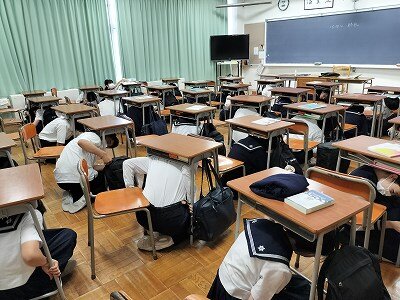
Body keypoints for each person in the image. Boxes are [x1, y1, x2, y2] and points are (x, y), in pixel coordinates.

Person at [207, 218, 293, 300]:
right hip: (235, 295)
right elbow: (256, 298)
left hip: (221, 278)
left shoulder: (257, 227)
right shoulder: (280, 267)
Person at [0, 209, 77, 299]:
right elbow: (30, 256)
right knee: (67, 236)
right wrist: (46, 262)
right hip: (26, 286)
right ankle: (46, 279)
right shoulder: (28, 213)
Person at [122, 156, 191, 251]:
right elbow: (191, 192)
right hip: (173, 220)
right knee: (189, 205)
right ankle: (174, 238)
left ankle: (154, 232)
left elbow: (127, 164)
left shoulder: (152, 160)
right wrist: (190, 204)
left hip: (144, 215)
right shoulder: (186, 166)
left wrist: (132, 192)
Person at [54, 132, 119, 213]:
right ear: (105, 135)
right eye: (108, 142)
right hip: (76, 180)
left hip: (62, 182)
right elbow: (82, 142)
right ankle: (84, 196)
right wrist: (103, 155)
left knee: (101, 173)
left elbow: (89, 166)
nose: (105, 146)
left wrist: (107, 167)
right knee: (104, 180)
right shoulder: (94, 137)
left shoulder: (83, 141)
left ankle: (74, 193)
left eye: (108, 146)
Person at [350, 165, 400, 263]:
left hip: (380, 225)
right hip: (364, 232)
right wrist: (391, 224)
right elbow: (354, 223)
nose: (391, 194)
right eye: (393, 191)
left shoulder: (376, 173)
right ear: (393, 176)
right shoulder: (362, 183)